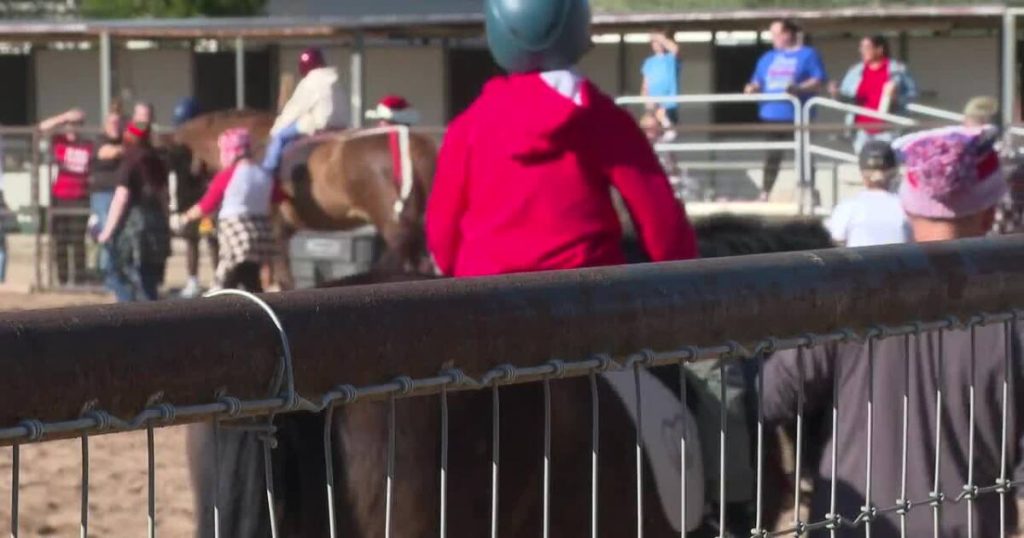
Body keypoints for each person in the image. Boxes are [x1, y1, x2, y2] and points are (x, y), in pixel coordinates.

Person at [763, 124, 1022, 537]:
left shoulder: (847, 299)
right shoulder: (1014, 315)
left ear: (908, 207)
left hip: (848, 526)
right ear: (990, 213)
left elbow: (772, 394)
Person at [427, 0, 698, 278]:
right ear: (579, 28)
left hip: (484, 298)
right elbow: (663, 225)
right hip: (585, 296)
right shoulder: (604, 120)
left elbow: (442, 234)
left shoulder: (467, 126)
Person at [172, 128, 276, 292]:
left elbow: (206, 205)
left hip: (236, 236)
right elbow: (278, 197)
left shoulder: (228, 175)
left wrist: (184, 217)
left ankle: (217, 311)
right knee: (251, 280)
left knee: (225, 282)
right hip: (262, 237)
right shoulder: (264, 175)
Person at [745, 19, 827, 200]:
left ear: (788, 34)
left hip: (798, 114)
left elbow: (818, 79)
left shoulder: (807, 54)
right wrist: (752, 87)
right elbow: (758, 80)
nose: (773, 38)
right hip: (771, 114)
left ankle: (808, 190)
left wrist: (798, 88)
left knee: (804, 154)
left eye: (777, 34)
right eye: (771, 34)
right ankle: (765, 192)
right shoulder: (767, 57)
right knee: (772, 155)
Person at [97, 122, 171, 302]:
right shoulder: (156, 159)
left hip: (135, 227)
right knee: (149, 280)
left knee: (120, 274)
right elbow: (163, 195)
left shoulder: (130, 160)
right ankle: (150, 319)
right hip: (156, 224)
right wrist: (167, 223)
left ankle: (131, 319)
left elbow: (121, 197)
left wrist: (107, 231)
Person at [262, 47, 350, 175]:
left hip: (319, 126)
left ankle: (267, 172)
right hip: (342, 126)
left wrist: (275, 129)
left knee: (280, 137)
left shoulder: (310, 81)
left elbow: (294, 110)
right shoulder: (335, 79)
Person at [169, 96, 219, 298]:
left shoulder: (208, 146)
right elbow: (175, 179)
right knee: (192, 241)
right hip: (188, 202)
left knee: (212, 239)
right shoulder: (178, 149)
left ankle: (218, 280)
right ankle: (192, 281)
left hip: (207, 202)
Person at [836, 35, 918, 154]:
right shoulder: (855, 70)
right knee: (866, 166)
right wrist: (836, 92)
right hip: (861, 130)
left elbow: (912, 94)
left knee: (887, 166)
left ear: (879, 50)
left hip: (889, 129)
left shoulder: (898, 70)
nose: (862, 51)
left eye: (866, 47)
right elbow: (844, 95)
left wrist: (896, 98)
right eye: (861, 47)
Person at [39, 108, 94, 286]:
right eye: (70, 125)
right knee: (60, 240)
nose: (73, 128)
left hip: (80, 197)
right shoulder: (59, 141)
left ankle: (79, 279)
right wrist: (63, 117)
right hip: (60, 196)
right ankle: (62, 279)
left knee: (78, 240)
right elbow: (40, 129)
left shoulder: (88, 145)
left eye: (77, 125)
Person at [826, 140, 910, 247]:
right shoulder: (906, 208)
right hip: (899, 263)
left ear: (861, 173)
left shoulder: (847, 207)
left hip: (860, 264)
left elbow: (836, 238)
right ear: (894, 172)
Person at [89, 101, 125, 277]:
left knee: (119, 234)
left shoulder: (125, 140)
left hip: (122, 195)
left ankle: (115, 271)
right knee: (106, 233)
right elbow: (106, 152)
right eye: (112, 123)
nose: (115, 126)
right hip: (103, 195)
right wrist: (128, 149)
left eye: (118, 122)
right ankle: (107, 273)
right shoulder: (100, 140)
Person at [641, 31, 681, 140]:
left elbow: (675, 49)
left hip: (668, 104)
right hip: (653, 105)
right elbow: (645, 84)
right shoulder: (648, 62)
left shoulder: (670, 58)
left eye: (658, 42)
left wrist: (660, 37)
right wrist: (646, 101)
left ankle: (666, 154)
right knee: (650, 133)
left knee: (670, 134)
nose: (656, 44)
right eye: (654, 42)